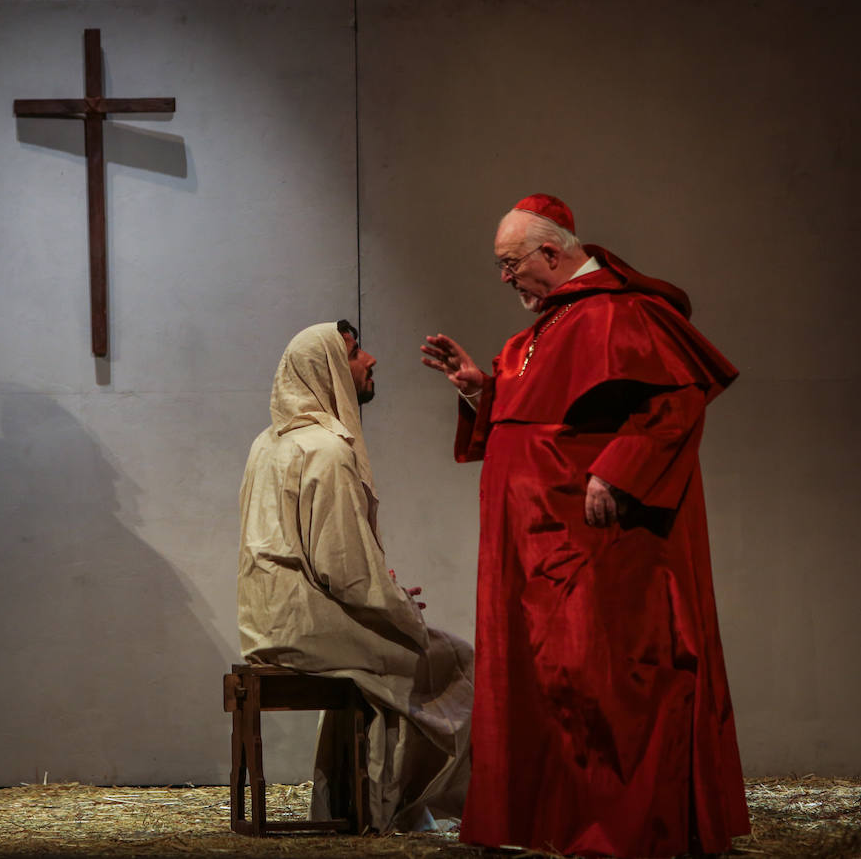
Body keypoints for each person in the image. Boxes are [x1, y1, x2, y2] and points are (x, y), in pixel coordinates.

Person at [420, 195, 749, 856]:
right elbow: (531, 425)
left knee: (602, 684)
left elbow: (677, 401)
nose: (505, 277)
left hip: (594, 545)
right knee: (543, 687)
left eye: (510, 263)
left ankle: (620, 830)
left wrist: (619, 472)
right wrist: (478, 390)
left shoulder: (624, 313)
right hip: (530, 552)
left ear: (552, 251)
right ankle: (554, 825)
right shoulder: (537, 333)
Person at [238, 321, 474, 833]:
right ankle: (400, 809)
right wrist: (397, 605)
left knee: (382, 657)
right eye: (353, 354)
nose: (369, 362)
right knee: (454, 660)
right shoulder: (326, 451)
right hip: (307, 627)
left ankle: (351, 802)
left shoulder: (267, 444)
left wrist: (380, 591)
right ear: (326, 369)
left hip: (269, 623)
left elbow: (317, 558)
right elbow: (345, 573)